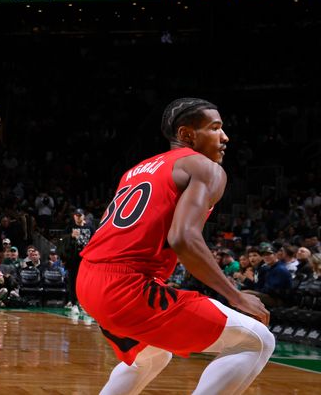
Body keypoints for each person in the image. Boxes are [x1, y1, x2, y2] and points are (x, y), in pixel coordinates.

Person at [77, 98, 274, 395]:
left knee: (151, 356)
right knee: (257, 340)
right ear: (186, 135)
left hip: (88, 280)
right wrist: (235, 296)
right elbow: (183, 238)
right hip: (127, 287)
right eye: (215, 128)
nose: (225, 137)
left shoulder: (136, 170)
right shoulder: (205, 168)